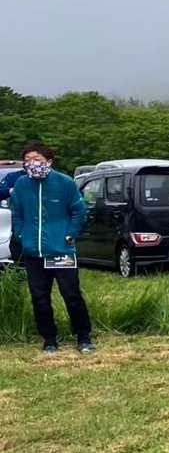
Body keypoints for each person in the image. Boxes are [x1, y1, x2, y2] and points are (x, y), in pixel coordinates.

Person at [8, 141, 93, 354]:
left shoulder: (64, 183)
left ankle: (83, 337)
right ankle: (49, 339)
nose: (32, 163)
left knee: (71, 295)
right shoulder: (21, 184)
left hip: (61, 250)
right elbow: (17, 213)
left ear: (49, 161)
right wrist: (21, 234)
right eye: (27, 160)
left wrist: (70, 234)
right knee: (39, 298)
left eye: (36, 159)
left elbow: (79, 211)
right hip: (33, 252)